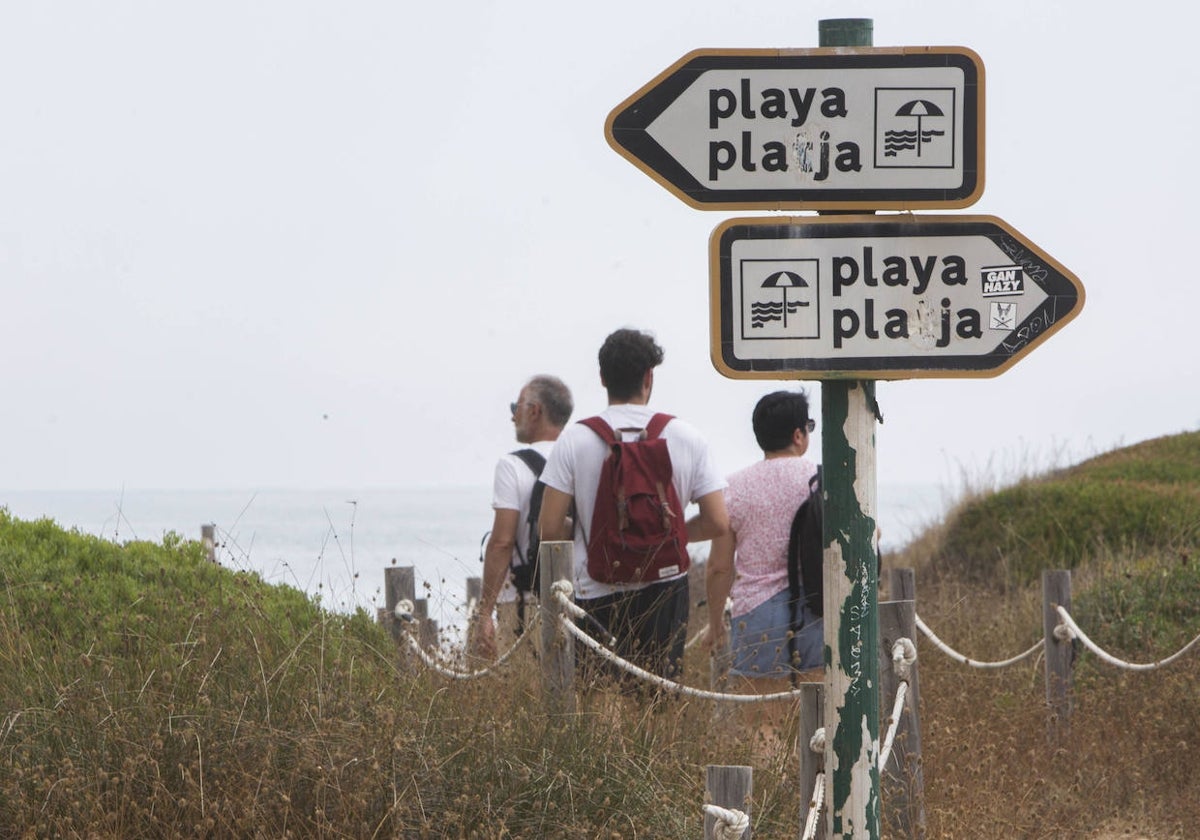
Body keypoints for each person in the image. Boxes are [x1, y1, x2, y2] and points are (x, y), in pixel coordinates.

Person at [539, 328, 729, 682]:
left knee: (599, 699)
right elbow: (718, 521)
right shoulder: (687, 436)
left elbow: (549, 529)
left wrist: (594, 534)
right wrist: (668, 536)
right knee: (656, 700)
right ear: (649, 376)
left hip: (594, 585)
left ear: (601, 377)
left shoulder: (574, 439)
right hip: (665, 586)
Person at [704, 389, 823, 690]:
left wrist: (716, 623)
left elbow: (719, 565)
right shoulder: (824, 479)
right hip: (817, 605)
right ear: (798, 435)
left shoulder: (733, 487)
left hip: (757, 612)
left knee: (762, 723)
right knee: (820, 715)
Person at [473, 375, 574, 661]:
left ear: (534, 410)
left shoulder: (512, 465)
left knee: (526, 699)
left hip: (524, 602)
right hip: (581, 597)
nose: (512, 416)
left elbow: (502, 542)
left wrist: (484, 613)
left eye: (515, 407)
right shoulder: (582, 456)